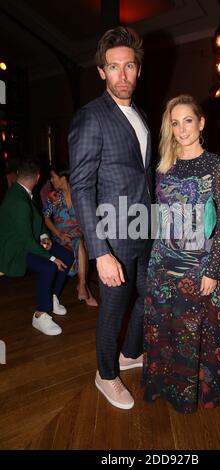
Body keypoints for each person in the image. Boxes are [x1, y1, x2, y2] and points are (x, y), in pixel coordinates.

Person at [68, 27, 153, 409]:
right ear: (102, 71)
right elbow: (82, 188)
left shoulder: (142, 114)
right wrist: (100, 252)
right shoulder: (91, 117)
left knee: (148, 297)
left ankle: (130, 353)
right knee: (114, 309)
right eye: (113, 67)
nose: (123, 75)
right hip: (113, 237)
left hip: (145, 232)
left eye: (129, 66)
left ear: (137, 69)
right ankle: (106, 375)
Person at [142, 94, 220, 413]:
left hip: (199, 265)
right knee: (162, 328)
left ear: (201, 122)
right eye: (175, 123)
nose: (182, 130)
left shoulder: (215, 165)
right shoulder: (164, 165)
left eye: (188, 121)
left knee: (191, 331)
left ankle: (188, 396)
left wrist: (213, 270)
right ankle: (162, 386)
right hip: (161, 263)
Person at [0, 158, 74, 336]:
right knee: (49, 267)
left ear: (19, 174)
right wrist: (50, 257)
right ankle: (40, 314)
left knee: (66, 257)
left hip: (28, 241)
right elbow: (25, 242)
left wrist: (43, 236)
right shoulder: (18, 200)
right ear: (38, 177)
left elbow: (37, 221)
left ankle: (52, 296)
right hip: (14, 250)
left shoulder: (22, 191)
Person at [43, 166, 98, 307]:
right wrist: (59, 234)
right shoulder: (53, 196)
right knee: (80, 244)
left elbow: (88, 216)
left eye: (53, 177)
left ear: (63, 179)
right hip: (60, 236)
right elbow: (46, 219)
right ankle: (83, 287)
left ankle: (82, 285)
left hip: (79, 234)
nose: (51, 180)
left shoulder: (79, 195)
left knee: (81, 241)